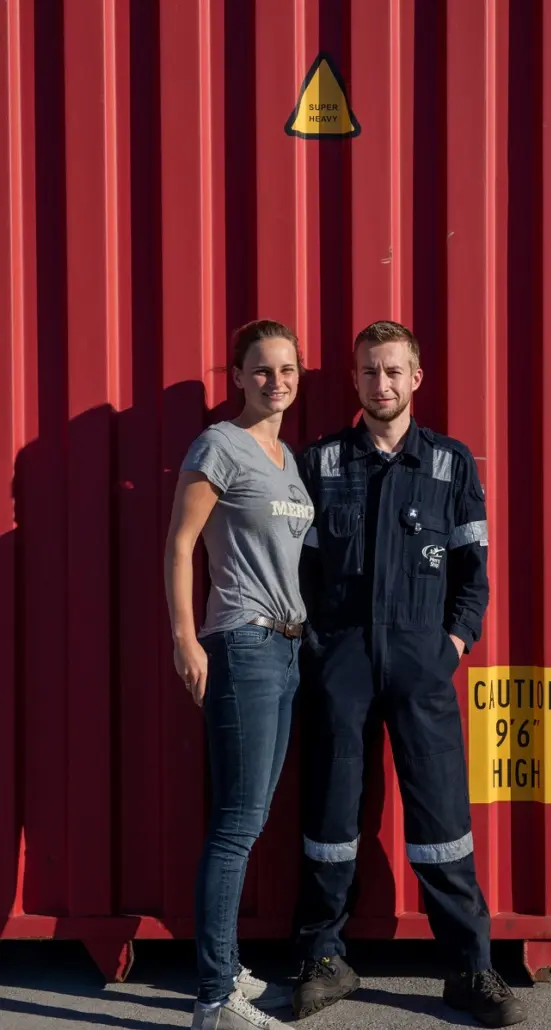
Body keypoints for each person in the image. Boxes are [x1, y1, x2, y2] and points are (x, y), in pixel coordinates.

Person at [291, 321, 526, 1027]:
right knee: (330, 817)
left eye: (394, 371)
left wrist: (452, 644)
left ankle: (469, 968)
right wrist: (320, 652)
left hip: (423, 665)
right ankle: (322, 960)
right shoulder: (321, 462)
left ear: (416, 378)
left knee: (442, 822)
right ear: (355, 380)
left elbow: (474, 575)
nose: (382, 383)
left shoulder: (452, 465)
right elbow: (294, 570)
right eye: (369, 372)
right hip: (342, 666)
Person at [164, 319, 314, 1030]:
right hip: (243, 644)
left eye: (286, 369)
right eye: (261, 369)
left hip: (287, 648)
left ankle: (225, 971)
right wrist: (185, 640)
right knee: (237, 825)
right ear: (237, 376)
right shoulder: (219, 445)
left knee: (247, 819)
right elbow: (181, 544)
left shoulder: (286, 459)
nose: (275, 381)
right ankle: (215, 999)